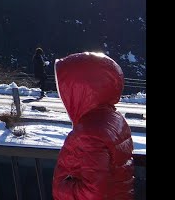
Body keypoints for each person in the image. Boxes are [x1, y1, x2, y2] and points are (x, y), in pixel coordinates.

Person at [52, 52, 134, 200]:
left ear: (80, 89)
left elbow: (92, 194)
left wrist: (60, 188)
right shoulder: (114, 119)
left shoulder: (89, 133)